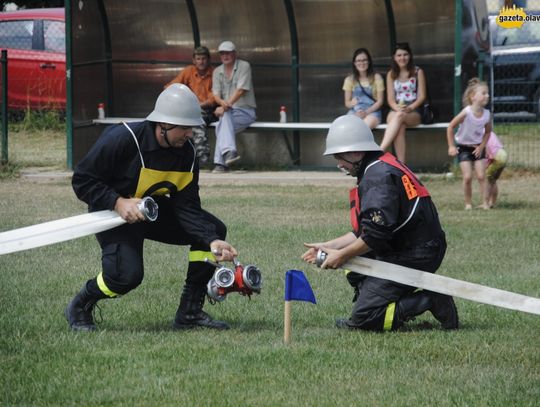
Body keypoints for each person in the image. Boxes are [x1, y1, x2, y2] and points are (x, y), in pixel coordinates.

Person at [65, 84, 238, 332]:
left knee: (212, 228)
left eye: (192, 128)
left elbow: (187, 206)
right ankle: (80, 305)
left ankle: (189, 313)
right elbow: (82, 179)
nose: (190, 134)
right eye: (185, 128)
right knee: (126, 277)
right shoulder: (123, 139)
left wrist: (211, 240)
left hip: (151, 212)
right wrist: (117, 202)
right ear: (163, 124)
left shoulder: (186, 154)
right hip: (113, 214)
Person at [302, 115, 458, 332]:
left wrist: (343, 255)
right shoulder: (379, 165)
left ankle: (431, 298)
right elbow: (365, 232)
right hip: (411, 246)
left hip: (416, 254)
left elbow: (374, 236)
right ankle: (376, 297)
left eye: (340, 157)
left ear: (356, 153)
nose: (339, 164)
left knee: (365, 319)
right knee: (355, 267)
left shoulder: (378, 177)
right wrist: (329, 246)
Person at [164, 46, 217, 165]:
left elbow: (216, 96)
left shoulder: (215, 73)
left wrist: (200, 105)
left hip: (210, 110)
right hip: (190, 109)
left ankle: (202, 159)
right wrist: (181, 98)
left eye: (204, 58)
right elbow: (170, 87)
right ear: (194, 60)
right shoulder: (188, 71)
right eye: (198, 59)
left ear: (208, 60)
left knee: (197, 122)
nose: (201, 62)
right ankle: (176, 158)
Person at [211, 40, 257, 173]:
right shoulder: (217, 71)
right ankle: (229, 154)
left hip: (245, 111)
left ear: (235, 54)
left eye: (228, 53)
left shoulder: (244, 66)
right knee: (224, 121)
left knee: (222, 124)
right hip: (228, 112)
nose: (225, 56)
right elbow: (215, 95)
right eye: (222, 53)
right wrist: (222, 104)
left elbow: (241, 90)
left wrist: (224, 106)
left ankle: (221, 163)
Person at [447, 78, 491, 210]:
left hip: (478, 147)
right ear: (473, 97)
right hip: (464, 148)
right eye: (483, 93)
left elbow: (488, 132)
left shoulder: (487, 114)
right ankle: (468, 203)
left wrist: (482, 146)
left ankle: (485, 203)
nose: (487, 95)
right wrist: (451, 146)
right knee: (467, 177)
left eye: (487, 93)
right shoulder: (466, 112)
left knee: (481, 176)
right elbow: (450, 127)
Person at [379, 42, 426, 163]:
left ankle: (380, 149)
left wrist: (409, 108)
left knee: (399, 117)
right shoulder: (391, 74)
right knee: (400, 125)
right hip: (395, 109)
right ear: (394, 58)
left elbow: (422, 96)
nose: (402, 58)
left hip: (413, 110)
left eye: (405, 54)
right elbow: (390, 99)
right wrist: (397, 108)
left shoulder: (417, 72)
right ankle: (402, 166)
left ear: (409, 56)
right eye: (399, 55)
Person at [343, 48, 385, 129]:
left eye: (364, 60)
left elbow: (380, 101)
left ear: (369, 61)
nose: (361, 63)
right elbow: (347, 103)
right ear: (354, 63)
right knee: (346, 128)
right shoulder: (349, 80)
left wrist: (366, 112)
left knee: (362, 129)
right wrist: (352, 103)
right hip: (355, 112)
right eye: (358, 61)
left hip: (372, 112)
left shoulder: (377, 78)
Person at [485, 131, 508, 208]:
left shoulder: (479, 133)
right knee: (492, 180)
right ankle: (492, 202)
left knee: (487, 180)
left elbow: (486, 147)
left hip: (496, 156)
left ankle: (486, 203)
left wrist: (490, 156)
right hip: (503, 154)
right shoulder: (491, 132)